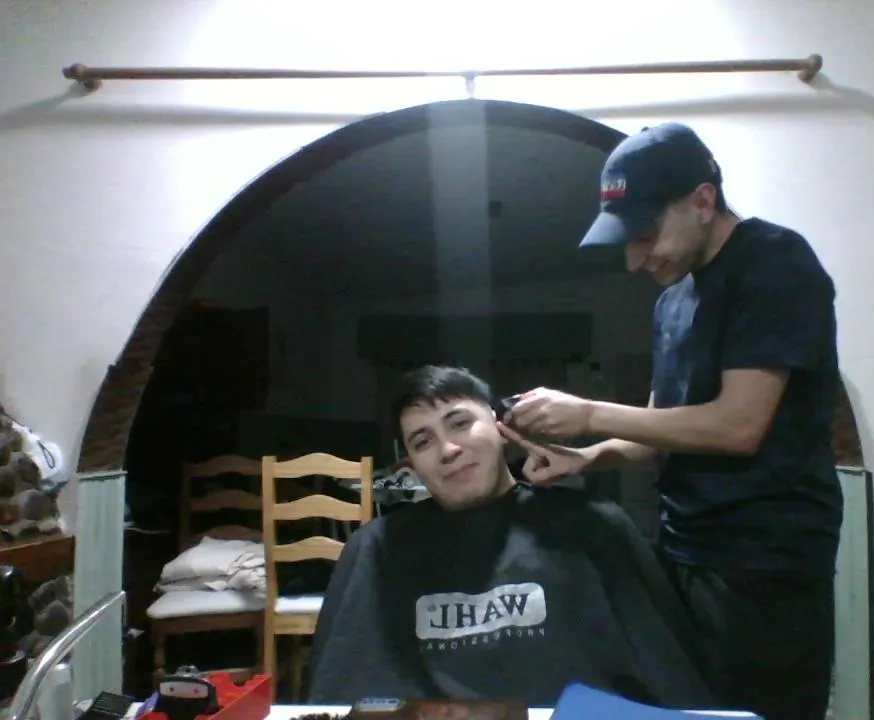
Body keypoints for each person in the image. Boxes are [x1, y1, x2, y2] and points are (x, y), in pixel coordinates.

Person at [500, 123, 844, 720]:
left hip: (765, 564)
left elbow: (738, 426)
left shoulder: (774, 261)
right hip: (684, 551)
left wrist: (586, 413)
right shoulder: (672, 302)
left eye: (646, 234)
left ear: (703, 201)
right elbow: (659, 429)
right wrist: (588, 456)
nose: (636, 260)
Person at [307, 365, 717, 709]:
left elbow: (670, 680)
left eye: (460, 423)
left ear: (500, 427)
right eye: (423, 441)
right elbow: (346, 686)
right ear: (410, 464)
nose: (447, 449)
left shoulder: (591, 525)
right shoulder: (379, 547)